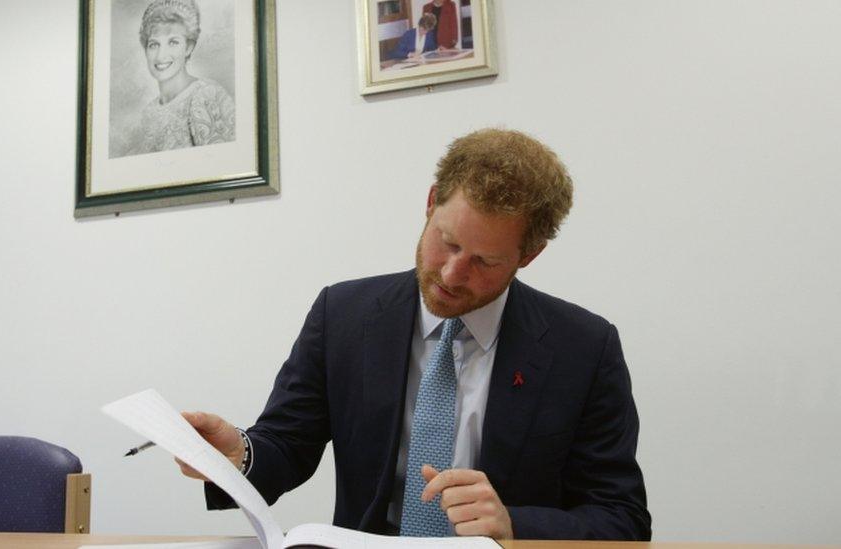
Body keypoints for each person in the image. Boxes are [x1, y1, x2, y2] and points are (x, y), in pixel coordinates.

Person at [177, 129, 652, 541]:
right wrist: (237, 455)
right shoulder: (343, 315)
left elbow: (621, 517)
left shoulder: (584, 349)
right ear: (430, 204)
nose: (451, 273)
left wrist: (513, 525)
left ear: (528, 256)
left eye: (484, 262)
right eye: (447, 241)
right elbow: (287, 447)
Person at [136, 0, 234, 154]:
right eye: (154, 44)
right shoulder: (149, 112)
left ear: (188, 47)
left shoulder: (206, 96)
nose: (161, 56)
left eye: (173, 42)